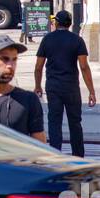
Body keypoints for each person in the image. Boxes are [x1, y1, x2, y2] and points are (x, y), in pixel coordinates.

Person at [34, 9, 96, 156]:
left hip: (53, 87)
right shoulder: (77, 40)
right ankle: (78, 156)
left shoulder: (47, 39)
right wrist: (91, 91)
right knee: (75, 123)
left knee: (54, 122)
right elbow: (84, 67)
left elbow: (38, 67)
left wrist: (38, 85)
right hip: (71, 87)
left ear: (56, 23)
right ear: (70, 24)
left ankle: (56, 155)